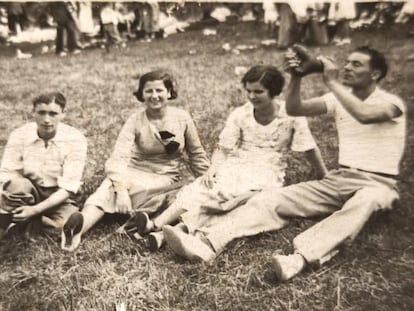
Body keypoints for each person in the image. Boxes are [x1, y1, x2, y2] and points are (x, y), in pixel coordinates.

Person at [162, 47, 406, 279]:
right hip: (339, 179)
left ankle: (299, 258)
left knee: (364, 202)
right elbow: (295, 107)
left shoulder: (391, 103)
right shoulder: (337, 99)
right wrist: (297, 76)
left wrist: (331, 81)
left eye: (356, 64)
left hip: (378, 183)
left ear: (374, 74)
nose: (347, 67)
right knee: (267, 199)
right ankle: (209, 242)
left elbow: (365, 115)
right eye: (347, 62)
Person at [137, 65, 327, 257]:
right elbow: (224, 148)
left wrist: (324, 177)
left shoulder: (291, 114)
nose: (252, 97)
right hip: (239, 162)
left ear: (274, 91)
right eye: (249, 91)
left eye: (259, 92)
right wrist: (213, 169)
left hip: (268, 170)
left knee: (234, 203)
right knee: (206, 187)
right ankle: (154, 225)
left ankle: (165, 235)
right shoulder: (241, 113)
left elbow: (309, 147)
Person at [62, 70, 209, 251]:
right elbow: (119, 158)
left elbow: (196, 154)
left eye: (159, 91)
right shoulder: (135, 120)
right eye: (149, 91)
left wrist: (209, 178)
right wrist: (121, 189)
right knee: (109, 187)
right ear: (142, 94)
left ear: (169, 93)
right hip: (134, 169)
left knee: (159, 194)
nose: (154, 96)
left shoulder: (182, 118)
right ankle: (77, 229)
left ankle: (137, 220)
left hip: (164, 176)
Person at [0, 92, 87, 240]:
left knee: (65, 228)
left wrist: (35, 210)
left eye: (53, 114)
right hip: (27, 191)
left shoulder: (75, 138)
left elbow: (68, 187)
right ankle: (17, 219)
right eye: (41, 112)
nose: (47, 119)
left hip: (58, 195)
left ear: (63, 115)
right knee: (16, 185)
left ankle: (28, 223)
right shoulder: (20, 135)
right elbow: (7, 174)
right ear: (33, 113)